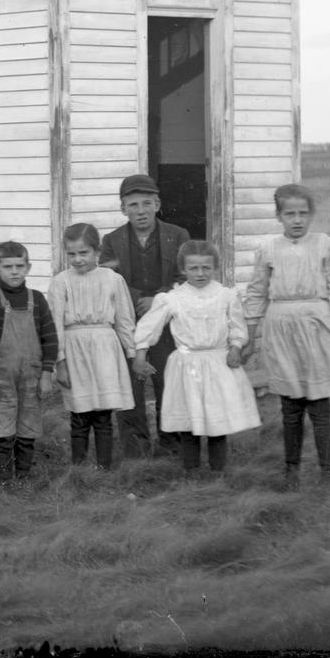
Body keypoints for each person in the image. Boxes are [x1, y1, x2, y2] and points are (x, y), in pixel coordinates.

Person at [241, 184, 330, 485]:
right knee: (290, 404)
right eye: (290, 214)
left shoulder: (326, 245)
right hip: (281, 326)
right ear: (278, 216)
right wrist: (251, 332)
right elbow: (257, 292)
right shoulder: (268, 249)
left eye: (303, 214)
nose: (297, 220)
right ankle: (291, 470)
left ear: (311, 215)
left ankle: (328, 471)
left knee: (319, 403)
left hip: (316, 326)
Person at [132, 241, 259, 475]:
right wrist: (140, 355)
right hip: (187, 365)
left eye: (206, 268)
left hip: (218, 363)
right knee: (189, 420)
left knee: (216, 419)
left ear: (215, 267)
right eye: (193, 268)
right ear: (183, 268)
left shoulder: (226, 296)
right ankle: (191, 470)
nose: (200, 273)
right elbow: (149, 326)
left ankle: (217, 471)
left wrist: (235, 348)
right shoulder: (173, 298)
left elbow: (237, 327)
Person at [98, 173, 190, 458]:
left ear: (158, 203)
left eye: (147, 203)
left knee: (168, 382)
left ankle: (171, 446)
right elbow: (108, 278)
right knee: (130, 386)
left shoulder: (178, 235)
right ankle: (135, 450)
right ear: (123, 208)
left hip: (167, 324)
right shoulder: (111, 241)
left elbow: (184, 277)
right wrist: (139, 298)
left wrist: (157, 300)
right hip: (128, 323)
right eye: (133, 205)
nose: (141, 211)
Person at [49, 223, 144, 471]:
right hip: (74, 349)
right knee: (79, 415)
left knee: (102, 414)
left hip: (104, 349)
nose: (78, 259)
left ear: (97, 252)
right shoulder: (61, 282)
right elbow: (55, 324)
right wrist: (59, 362)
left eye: (84, 253)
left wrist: (133, 354)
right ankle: (78, 470)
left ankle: (105, 468)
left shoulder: (113, 280)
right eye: (71, 254)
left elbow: (124, 320)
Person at [0, 239, 57, 484]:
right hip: (1, 377)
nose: (15, 271)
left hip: (31, 375)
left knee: (28, 424)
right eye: (8, 267)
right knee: (2, 425)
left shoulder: (37, 299)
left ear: (28, 267)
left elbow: (49, 338)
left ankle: (23, 478)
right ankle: (4, 481)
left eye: (20, 266)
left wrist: (46, 374)